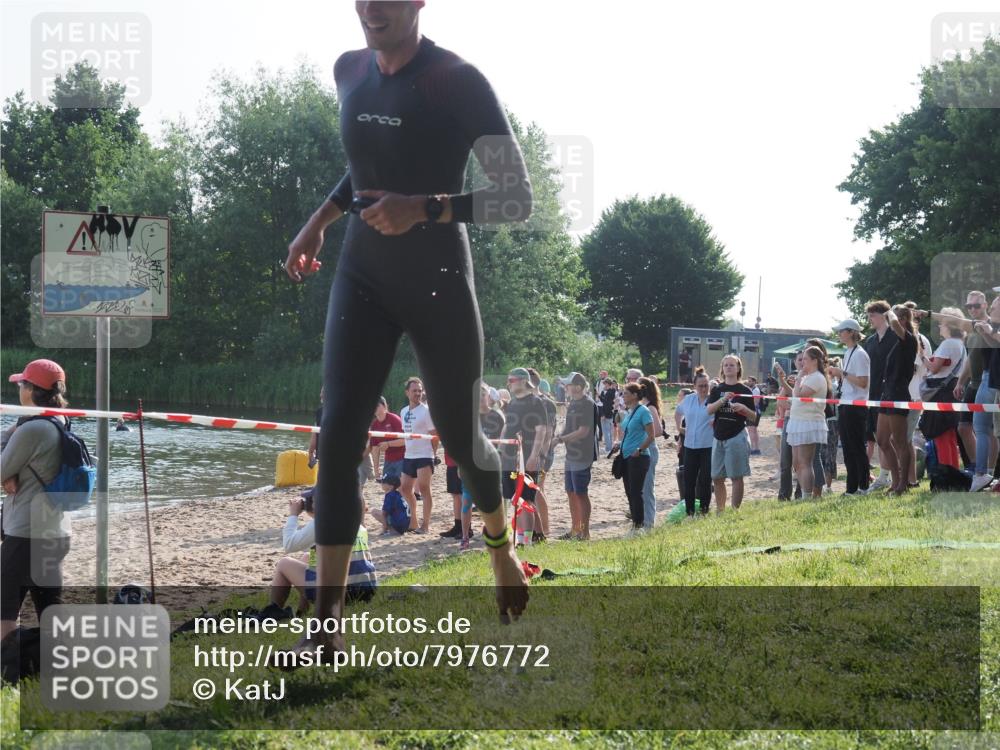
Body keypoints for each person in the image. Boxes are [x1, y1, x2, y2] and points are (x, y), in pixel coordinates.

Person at [282, 1, 534, 656]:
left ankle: (500, 548)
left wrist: (424, 209)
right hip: (361, 276)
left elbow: (517, 196)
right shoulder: (348, 71)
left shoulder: (458, 80)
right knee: (339, 433)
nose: (372, 8)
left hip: (438, 281)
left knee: (461, 435)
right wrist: (318, 221)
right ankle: (327, 623)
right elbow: (369, 164)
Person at [1, 359, 73, 642]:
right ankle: (60, 657)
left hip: (26, 532)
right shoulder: (60, 420)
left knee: (5, 606)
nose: (19, 388)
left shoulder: (32, 429)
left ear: (31, 390)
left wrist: (7, 470)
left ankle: (8, 663)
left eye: (22, 383)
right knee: (49, 605)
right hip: (56, 530)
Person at [268, 491, 376, 618]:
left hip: (340, 595)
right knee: (308, 557)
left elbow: (289, 545)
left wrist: (293, 515)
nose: (310, 504)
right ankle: (302, 611)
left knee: (284, 563)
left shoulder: (322, 523)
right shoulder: (356, 523)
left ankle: (274, 611)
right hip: (366, 592)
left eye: (313, 501)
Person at [500, 368, 548, 547]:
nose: (508, 383)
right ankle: (523, 539)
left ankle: (526, 541)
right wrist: (500, 449)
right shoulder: (513, 403)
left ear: (522, 381)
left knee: (526, 498)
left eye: (511, 380)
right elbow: (507, 427)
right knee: (515, 498)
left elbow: (541, 431)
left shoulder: (535, 402)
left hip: (526, 456)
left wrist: (534, 456)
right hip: (509, 457)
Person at [877, 305, 919, 495]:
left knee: (900, 442)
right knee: (882, 440)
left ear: (902, 319)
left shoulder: (909, 339)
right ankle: (895, 481)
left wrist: (889, 311)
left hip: (898, 394)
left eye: (894, 317)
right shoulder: (897, 341)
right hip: (887, 393)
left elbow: (894, 323)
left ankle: (903, 484)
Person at [706, 354, 757, 511]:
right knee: (716, 477)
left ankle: (735, 511)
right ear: (722, 368)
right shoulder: (717, 389)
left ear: (738, 368)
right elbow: (709, 410)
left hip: (737, 435)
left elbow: (754, 417)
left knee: (736, 476)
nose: (728, 367)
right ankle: (720, 511)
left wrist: (743, 408)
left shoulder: (745, 390)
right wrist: (722, 400)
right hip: (718, 436)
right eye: (726, 365)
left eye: (732, 365)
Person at [551, 373, 598, 540]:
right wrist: (558, 436)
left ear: (578, 387)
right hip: (571, 454)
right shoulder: (572, 403)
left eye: (568, 385)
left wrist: (561, 439)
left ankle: (584, 533)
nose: (565, 387)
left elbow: (583, 431)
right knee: (571, 492)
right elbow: (569, 426)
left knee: (580, 493)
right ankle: (575, 530)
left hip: (583, 454)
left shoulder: (588, 404)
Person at [460, 384, 506, 550]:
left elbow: (504, 442)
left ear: (488, 396)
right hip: (471, 466)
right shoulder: (469, 417)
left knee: (493, 502)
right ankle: (465, 537)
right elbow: (464, 443)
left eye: (483, 394)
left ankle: (495, 533)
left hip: (491, 467)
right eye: (477, 395)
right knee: (466, 502)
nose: (480, 398)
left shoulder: (497, 416)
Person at [829, 319, 871, 495]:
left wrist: (842, 373)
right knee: (847, 448)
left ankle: (863, 486)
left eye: (841, 331)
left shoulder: (860, 354)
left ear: (852, 332)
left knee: (856, 447)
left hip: (856, 405)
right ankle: (851, 488)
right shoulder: (849, 352)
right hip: (847, 403)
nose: (839, 334)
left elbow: (863, 382)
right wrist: (840, 375)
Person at [785, 346, 831, 498]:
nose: (802, 362)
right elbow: (796, 395)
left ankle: (807, 496)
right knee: (797, 463)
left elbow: (799, 395)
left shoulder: (817, 377)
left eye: (805, 358)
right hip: (798, 420)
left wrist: (799, 377)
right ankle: (804, 495)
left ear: (814, 360)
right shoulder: (808, 377)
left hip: (809, 422)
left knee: (805, 462)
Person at [863, 301, 899, 493]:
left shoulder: (895, 336)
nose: (870, 319)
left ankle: (894, 477)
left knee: (892, 439)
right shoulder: (870, 341)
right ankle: (885, 476)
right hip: (873, 393)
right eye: (869, 315)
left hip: (893, 393)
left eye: (873, 315)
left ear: (885, 315)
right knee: (879, 437)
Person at [951, 291, 989, 468]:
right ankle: (976, 467)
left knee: (987, 430)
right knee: (963, 427)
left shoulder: (991, 326)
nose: (972, 309)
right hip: (973, 384)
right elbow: (970, 359)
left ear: (985, 305)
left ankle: (988, 469)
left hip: (989, 383)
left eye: (976, 305)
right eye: (969, 306)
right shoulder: (971, 331)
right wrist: (960, 382)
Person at [397, 378, 436, 533]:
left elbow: (434, 435)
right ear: (407, 392)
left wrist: (433, 455)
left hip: (424, 455)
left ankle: (425, 525)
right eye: (414, 391)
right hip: (409, 455)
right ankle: (413, 521)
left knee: (425, 489)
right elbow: (406, 434)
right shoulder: (403, 411)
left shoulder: (426, 411)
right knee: (405, 489)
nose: (418, 393)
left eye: (420, 391)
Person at [970, 296, 1000, 491]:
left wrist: (990, 331)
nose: (991, 311)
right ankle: (989, 475)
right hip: (995, 383)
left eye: (995, 307)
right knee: (996, 432)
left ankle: (983, 473)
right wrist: (986, 334)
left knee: (984, 428)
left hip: (993, 382)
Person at [675, 368, 714, 515]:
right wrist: (679, 428)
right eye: (701, 386)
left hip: (708, 445)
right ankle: (689, 511)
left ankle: (704, 510)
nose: (704, 388)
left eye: (706, 385)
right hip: (690, 445)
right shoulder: (689, 399)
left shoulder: (713, 400)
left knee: (705, 480)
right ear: (694, 386)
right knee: (688, 480)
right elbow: (678, 412)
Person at [617, 383, 654, 530]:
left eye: (626, 393)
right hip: (626, 456)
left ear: (634, 395)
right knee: (629, 492)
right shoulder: (630, 411)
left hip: (639, 457)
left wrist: (639, 449)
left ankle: (639, 526)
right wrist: (619, 444)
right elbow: (629, 434)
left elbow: (651, 435)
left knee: (636, 492)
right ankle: (635, 524)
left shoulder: (643, 411)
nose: (623, 396)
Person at [527, 369, 556, 541]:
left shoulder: (546, 403)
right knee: (536, 489)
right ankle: (538, 528)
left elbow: (548, 432)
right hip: (529, 453)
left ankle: (544, 529)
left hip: (541, 454)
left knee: (537, 489)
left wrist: (541, 456)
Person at [638, 376, 663, 528]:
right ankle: (642, 521)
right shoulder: (642, 407)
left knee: (647, 488)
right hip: (641, 450)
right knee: (640, 489)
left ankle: (649, 524)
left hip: (649, 450)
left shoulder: (650, 407)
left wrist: (642, 437)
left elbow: (658, 431)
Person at [368, 396, 405, 483]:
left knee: (401, 486)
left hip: (402, 458)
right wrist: (376, 469)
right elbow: (375, 448)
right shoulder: (374, 425)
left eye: (377, 405)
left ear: (384, 406)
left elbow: (405, 441)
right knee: (386, 486)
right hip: (388, 459)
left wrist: (388, 444)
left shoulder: (394, 419)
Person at [598, 378, 617, 454]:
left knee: (606, 432)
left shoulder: (610, 392)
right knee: (608, 431)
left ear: (608, 384)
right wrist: (600, 396)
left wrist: (603, 414)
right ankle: (609, 447)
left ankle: (608, 448)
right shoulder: (608, 391)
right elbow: (604, 401)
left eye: (605, 384)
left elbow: (607, 404)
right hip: (608, 413)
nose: (604, 385)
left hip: (607, 413)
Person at [307, 387, 324, 469]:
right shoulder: (319, 412)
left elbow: (315, 432)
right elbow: (315, 432)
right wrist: (311, 452)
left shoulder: (320, 412)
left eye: (323, 392)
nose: (320, 395)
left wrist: (310, 452)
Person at [746, 376, 762, 455]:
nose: (748, 382)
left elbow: (755, 402)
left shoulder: (755, 390)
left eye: (750, 381)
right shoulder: (753, 389)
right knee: (754, 430)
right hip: (755, 411)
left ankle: (753, 448)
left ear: (754, 382)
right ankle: (756, 448)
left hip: (753, 411)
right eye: (748, 381)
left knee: (751, 430)